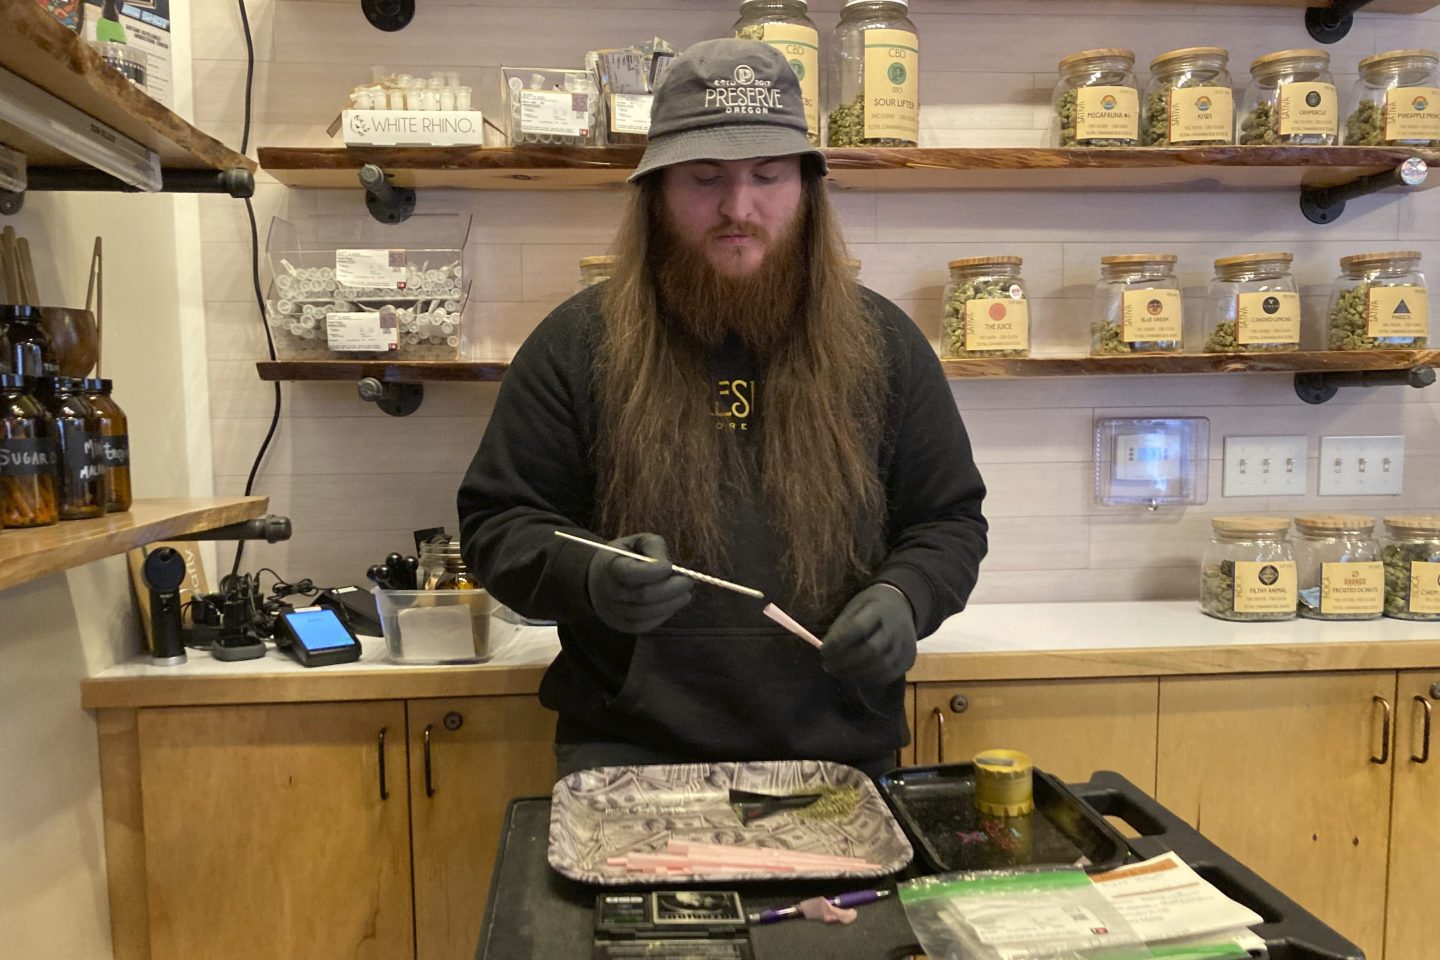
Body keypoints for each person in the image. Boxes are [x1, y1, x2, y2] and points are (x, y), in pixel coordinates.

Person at [457, 38, 987, 780]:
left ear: (806, 188)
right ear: (656, 194)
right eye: (705, 179)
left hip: (837, 755)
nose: (738, 208)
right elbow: (498, 525)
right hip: (628, 753)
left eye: (767, 176)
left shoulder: (885, 345)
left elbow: (949, 520)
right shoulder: (576, 344)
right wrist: (591, 578)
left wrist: (908, 594)